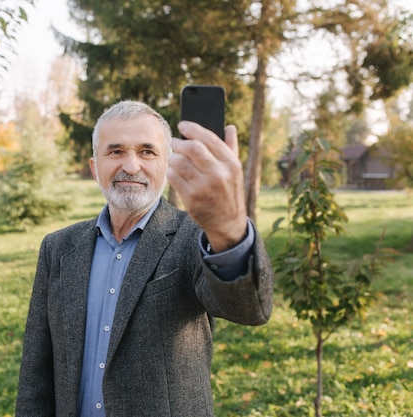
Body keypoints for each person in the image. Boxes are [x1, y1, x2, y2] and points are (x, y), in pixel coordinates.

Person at [16, 100, 273, 417]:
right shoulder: (58, 247)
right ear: (95, 167)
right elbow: (35, 372)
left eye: (147, 151)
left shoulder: (197, 238)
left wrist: (228, 228)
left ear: (167, 164)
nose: (131, 166)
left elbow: (249, 308)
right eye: (116, 151)